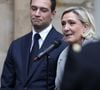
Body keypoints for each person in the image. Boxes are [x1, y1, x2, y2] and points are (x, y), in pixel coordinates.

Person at [0, 0, 66, 90]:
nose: (37, 14)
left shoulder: (63, 44)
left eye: (43, 10)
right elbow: (6, 84)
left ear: (53, 14)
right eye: (34, 9)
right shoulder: (16, 45)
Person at [55, 6, 98, 90]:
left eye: (71, 23)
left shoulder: (96, 51)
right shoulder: (63, 55)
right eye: (63, 24)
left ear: (85, 27)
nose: (65, 28)